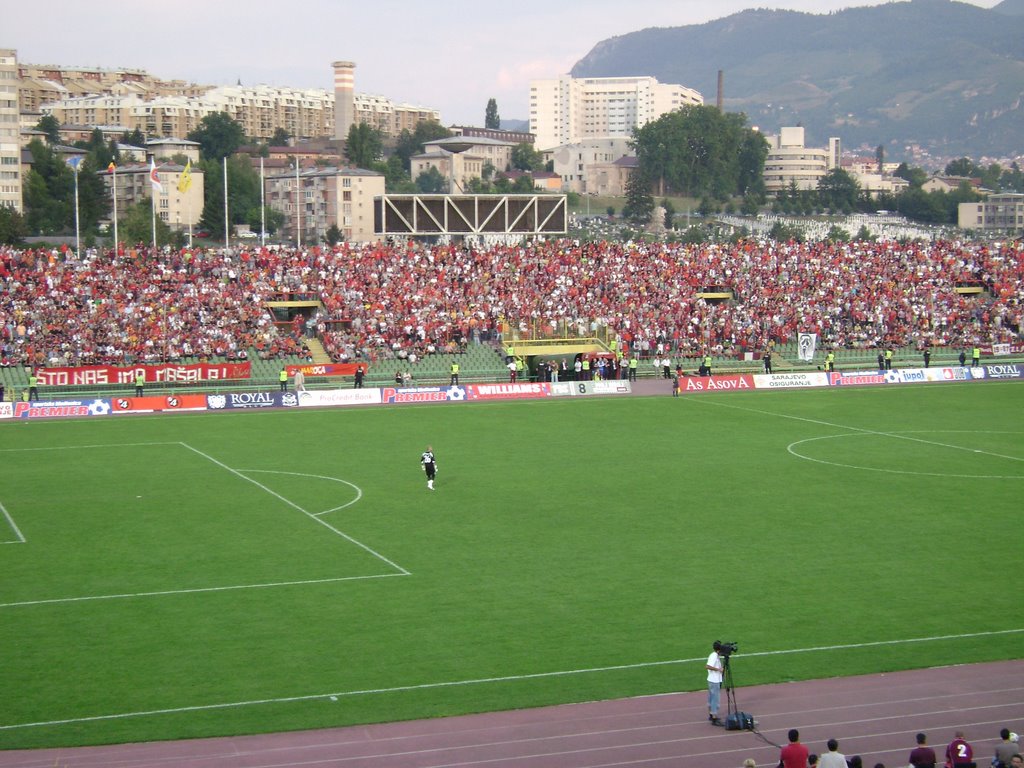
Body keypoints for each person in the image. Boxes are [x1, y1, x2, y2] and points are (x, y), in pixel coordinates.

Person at [706, 641, 724, 724]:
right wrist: (718, 669)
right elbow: (708, 666)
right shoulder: (714, 656)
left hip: (712, 680)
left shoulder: (714, 655)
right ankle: (714, 717)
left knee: (711, 698)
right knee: (715, 699)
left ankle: (711, 714)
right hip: (714, 681)